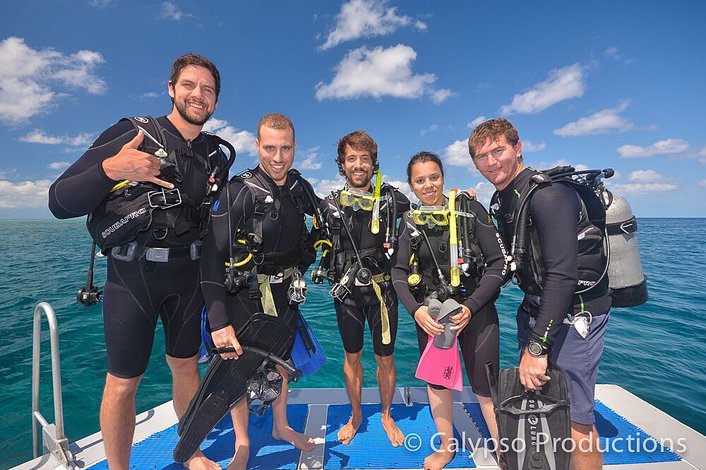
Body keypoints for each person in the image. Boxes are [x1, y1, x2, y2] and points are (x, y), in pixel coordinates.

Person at [48, 53, 227, 470]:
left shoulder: (215, 154)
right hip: (132, 276)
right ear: (171, 89)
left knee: (186, 367)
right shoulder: (133, 133)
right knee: (124, 382)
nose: (198, 94)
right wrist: (110, 169)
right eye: (189, 85)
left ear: (216, 100)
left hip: (189, 277)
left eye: (207, 89)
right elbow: (58, 201)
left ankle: (191, 452)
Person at [468, 118, 611, 469]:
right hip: (536, 310)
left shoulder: (549, 195)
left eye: (498, 150)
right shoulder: (504, 198)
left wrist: (537, 348)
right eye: (482, 156)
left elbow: (562, 275)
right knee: (544, 409)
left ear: (518, 148)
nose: (491, 162)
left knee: (576, 421)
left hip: (576, 312)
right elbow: (511, 259)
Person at [200, 113, 318, 469]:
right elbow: (210, 257)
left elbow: (325, 221)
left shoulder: (300, 188)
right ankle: (242, 443)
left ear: (295, 147)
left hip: (285, 292)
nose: (278, 157)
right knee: (238, 366)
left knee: (281, 360)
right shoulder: (240, 190)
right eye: (270, 148)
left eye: (285, 148)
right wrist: (218, 320)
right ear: (257, 147)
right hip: (245, 294)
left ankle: (281, 426)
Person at [391, 152, 507, 470]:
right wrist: (415, 311)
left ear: (443, 177)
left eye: (434, 177)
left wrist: (471, 306)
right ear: (411, 185)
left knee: (486, 386)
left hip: (476, 311)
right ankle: (446, 447)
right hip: (432, 318)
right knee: (438, 385)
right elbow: (398, 272)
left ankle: (504, 451)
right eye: (420, 180)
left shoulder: (470, 210)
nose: (428, 185)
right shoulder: (410, 221)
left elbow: (498, 263)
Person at [314, 130, 409, 446]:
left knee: (386, 358)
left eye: (364, 159)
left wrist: (462, 197)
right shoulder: (329, 205)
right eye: (351, 158)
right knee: (352, 357)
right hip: (348, 296)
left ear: (373, 164)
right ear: (342, 164)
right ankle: (355, 415)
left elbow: (427, 206)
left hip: (383, 294)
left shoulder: (392, 200)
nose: (358, 165)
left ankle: (386, 414)